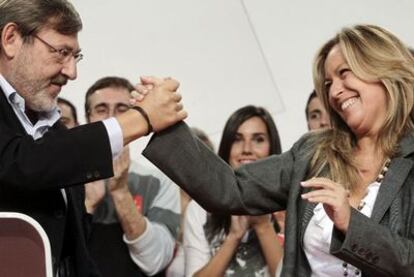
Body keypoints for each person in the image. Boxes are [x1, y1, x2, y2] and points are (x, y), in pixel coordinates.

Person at [142, 24, 414, 276]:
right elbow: (231, 188)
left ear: (383, 70)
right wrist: (162, 122)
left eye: (344, 73)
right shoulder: (314, 152)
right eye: (328, 83)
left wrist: (352, 225)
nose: (335, 92)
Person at [0, 1, 185, 276]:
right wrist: (140, 119)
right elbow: (23, 162)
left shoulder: (51, 129)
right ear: (11, 39)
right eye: (61, 53)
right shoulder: (46, 144)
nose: (71, 72)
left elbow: (74, 254)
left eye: (76, 56)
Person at [84, 76, 180, 277]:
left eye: (121, 109)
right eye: (101, 109)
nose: (111, 118)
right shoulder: (65, 179)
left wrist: (120, 192)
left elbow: (155, 261)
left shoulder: (159, 181)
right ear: (88, 118)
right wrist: (88, 205)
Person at [184, 105, 283, 277]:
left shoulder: (290, 207)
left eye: (258, 139)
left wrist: (263, 226)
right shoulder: (200, 209)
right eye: (237, 139)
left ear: (272, 147)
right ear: (226, 148)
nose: (247, 148)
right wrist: (233, 237)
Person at [166, 127, 215, 277]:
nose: (195, 165)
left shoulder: (214, 209)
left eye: (204, 157)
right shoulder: (164, 201)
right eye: (188, 156)